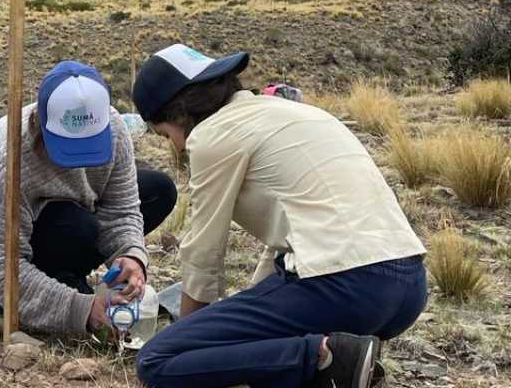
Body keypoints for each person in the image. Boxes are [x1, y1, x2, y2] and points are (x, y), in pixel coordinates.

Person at [131, 44, 427, 388]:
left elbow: (203, 253)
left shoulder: (212, 135)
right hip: (407, 288)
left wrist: (191, 335)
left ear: (179, 114)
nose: (177, 147)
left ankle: (322, 356)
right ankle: (340, 360)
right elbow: (290, 241)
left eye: (166, 135)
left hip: (346, 287)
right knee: (263, 360)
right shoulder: (291, 112)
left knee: (158, 360)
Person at [0, 61, 177, 334]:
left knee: (157, 190)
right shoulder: (5, 162)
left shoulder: (113, 127)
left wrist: (131, 256)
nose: (77, 163)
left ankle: (61, 276)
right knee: (76, 227)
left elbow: (122, 209)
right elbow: (6, 264)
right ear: (42, 123)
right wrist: (81, 310)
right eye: (69, 146)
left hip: (74, 208)